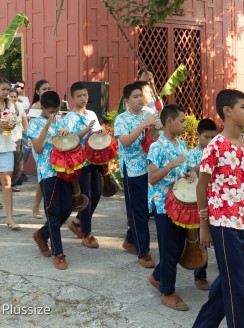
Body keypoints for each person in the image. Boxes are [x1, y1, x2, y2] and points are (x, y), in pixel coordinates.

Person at [192, 89, 244, 328]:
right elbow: (201, 187)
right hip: (222, 222)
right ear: (228, 112)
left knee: (228, 280)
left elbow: (243, 179)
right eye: (243, 107)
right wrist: (204, 226)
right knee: (238, 284)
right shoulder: (215, 146)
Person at [147, 104, 195, 311]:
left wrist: (190, 173)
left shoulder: (182, 145)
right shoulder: (156, 147)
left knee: (178, 248)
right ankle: (168, 293)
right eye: (182, 121)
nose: (185, 124)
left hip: (181, 203)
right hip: (163, 204)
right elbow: (152, 178)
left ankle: (157, 276)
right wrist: (170, 166)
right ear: (169, 122)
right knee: (169, 249)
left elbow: (185, 170)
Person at [114, 81, 159, 269]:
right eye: (135, 96)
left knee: (145, 209)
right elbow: (124, 141)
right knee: (139, 211)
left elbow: (155, 139)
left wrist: (156, 125)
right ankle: (143, 251)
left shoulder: (149, 114)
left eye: (141, 95)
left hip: (149, 168)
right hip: (132, 170)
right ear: (127, 101)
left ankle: (130, 241)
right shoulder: (122, 119)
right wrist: (143, 125)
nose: (140, 99)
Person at [28, 90, 75, 270]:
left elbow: (68, 145)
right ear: (43, 107)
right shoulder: (34, 124)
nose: (54, 114)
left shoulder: (61, 120)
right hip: (47, 173)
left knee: (67, 208)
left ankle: (42, 234)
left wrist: (65, 134)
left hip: (63, 171)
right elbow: (39, 149)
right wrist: (46, 127)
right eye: (51, 111)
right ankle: (59, 253)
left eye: (56, 111)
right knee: (53, 212)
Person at [65, 82, 103, 248]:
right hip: (80, 161)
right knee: (86, 195)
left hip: (95, 158)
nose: (83, 98)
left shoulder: (92, 113)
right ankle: (86, 233)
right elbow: (71, 139)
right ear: (72, 98)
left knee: (97, 193)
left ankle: (78, 221)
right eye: (79, 96)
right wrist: (87, 130)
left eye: (85, 95)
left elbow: (98, 133)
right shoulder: (70, 117)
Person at [0, 77, 21, 229]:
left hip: (7, 143)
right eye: (3, 89)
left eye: (8, 89)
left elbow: (14, 121)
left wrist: (10, 125)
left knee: (7, 182)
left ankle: (9, 217)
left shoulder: (11, 103)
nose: (6, 92)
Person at [187, 119, 217, 291]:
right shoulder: (191, 155)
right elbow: (187, 173)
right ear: (198, 136)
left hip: (218, 202)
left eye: (213, 137)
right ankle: (200, 275)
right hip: (199, 204)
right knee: (201, 239)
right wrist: (195, 169)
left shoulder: (219, 151)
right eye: (206, 137)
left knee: (221, 240)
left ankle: (232, 273)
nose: (210, 141)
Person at [27, 80, 53, 219]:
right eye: (44, 89)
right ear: (37, 92)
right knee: (42, 175)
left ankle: (40, 205)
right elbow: (32, 129)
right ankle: (37, 206)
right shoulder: (35, 108)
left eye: (49, 88)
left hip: (52, 144)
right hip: (39, 145)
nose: (47, 90)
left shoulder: (53, 105)